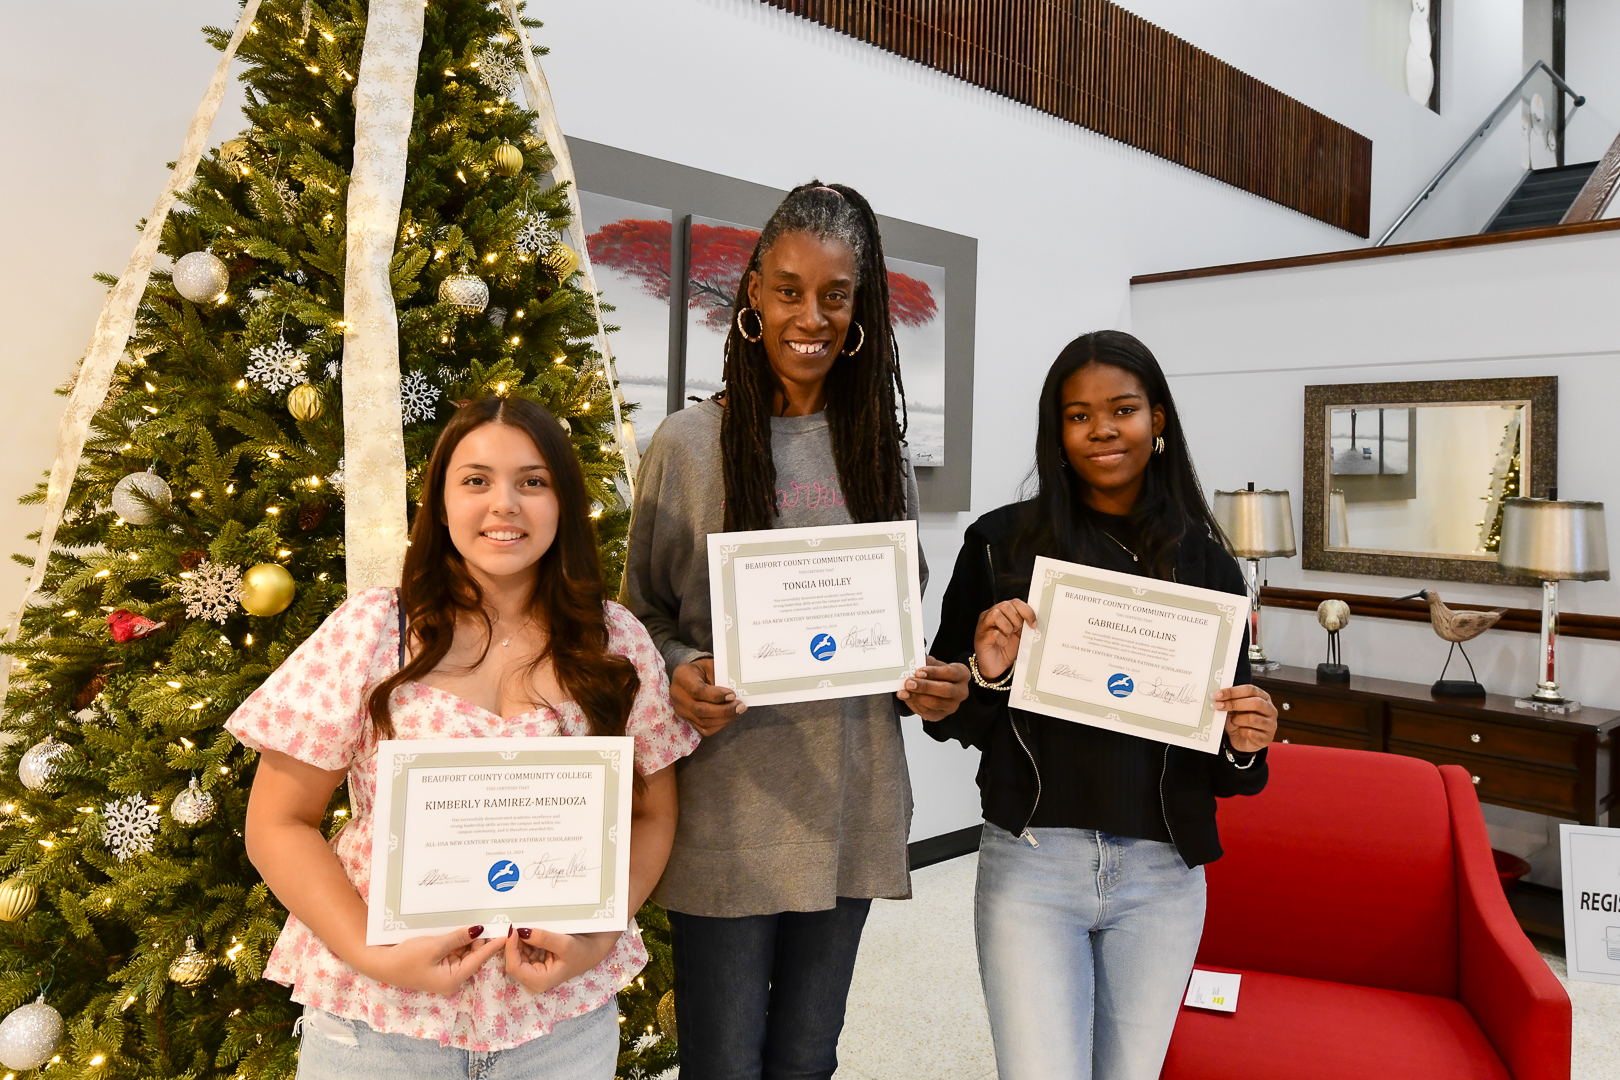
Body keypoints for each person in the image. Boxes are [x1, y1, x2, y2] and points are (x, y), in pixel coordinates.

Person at [229, 396, 698, 1077]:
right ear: (441, 505)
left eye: (532, 481)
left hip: (558, 1026)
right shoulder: (371, 631)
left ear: (563, 501)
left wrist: (599, 935)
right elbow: (278, 822)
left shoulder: (614, 639)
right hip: (383, 1025)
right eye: (475, 480)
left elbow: (653, 808)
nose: (504, 504)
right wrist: (371, 951)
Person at [622, 181, 970, 1079]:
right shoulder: (689, 444)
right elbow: (638, 617)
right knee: (724, 1063)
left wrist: (921, 676)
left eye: (835, 294)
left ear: (861, 308)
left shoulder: (878, 452)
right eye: (788, 289)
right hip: (729, 805)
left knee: (809, 1059)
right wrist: (680, 669)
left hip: (849, 797)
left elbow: (897, 618)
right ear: (752, 294)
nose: (809, 315)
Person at [926, 331, 1278, 1080]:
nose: (1102, 430)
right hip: (1032, 864)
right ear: (1057, 432)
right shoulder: (999, 544)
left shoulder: (1207, 562)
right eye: (1077, 415)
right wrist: (986, 673)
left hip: (1162, 875)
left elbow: (1227, 767)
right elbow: (948, 715)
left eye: (1122, 410)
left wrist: (1247, 739)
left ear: (1157, 421)